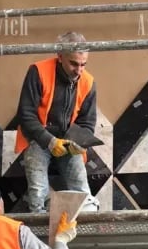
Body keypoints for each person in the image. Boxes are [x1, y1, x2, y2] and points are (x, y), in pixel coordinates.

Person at [15, 31, 100, 214]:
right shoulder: (38, 71)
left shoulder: (88, 82)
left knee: (83, 194)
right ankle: (40, 237)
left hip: (68, 141)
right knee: (38, 195)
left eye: (83, 64)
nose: (79, 70)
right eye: (74, 64)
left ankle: (82, 234)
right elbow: (26, 114)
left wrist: (79, 143)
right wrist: (50, 141)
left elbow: (87, 123)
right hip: (37, 138)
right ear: (60, 56)